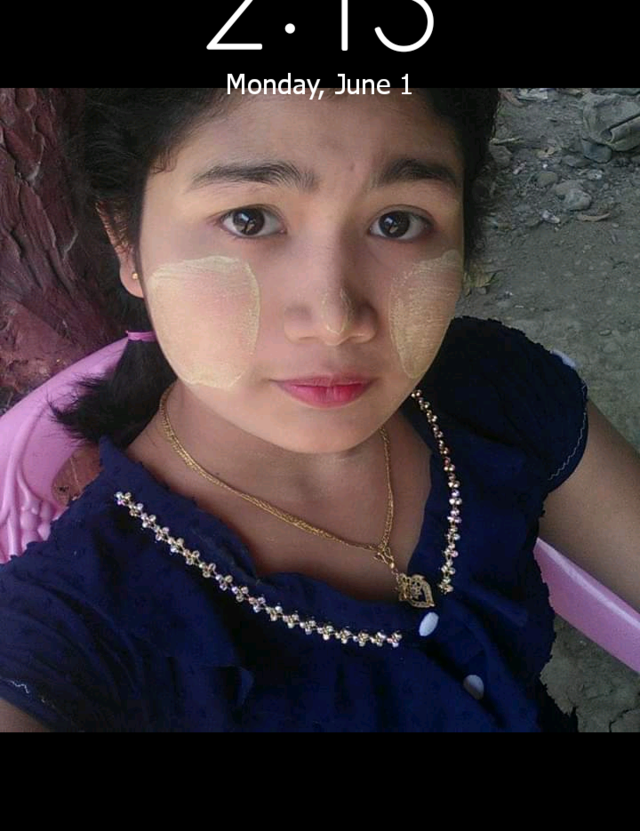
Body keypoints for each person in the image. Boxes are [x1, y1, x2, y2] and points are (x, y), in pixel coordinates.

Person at [0, 88, 638, 732]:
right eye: (249, 219)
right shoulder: (77, 623)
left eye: (397, 222)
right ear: (125, 239)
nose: (336, 319)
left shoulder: (494, 388)